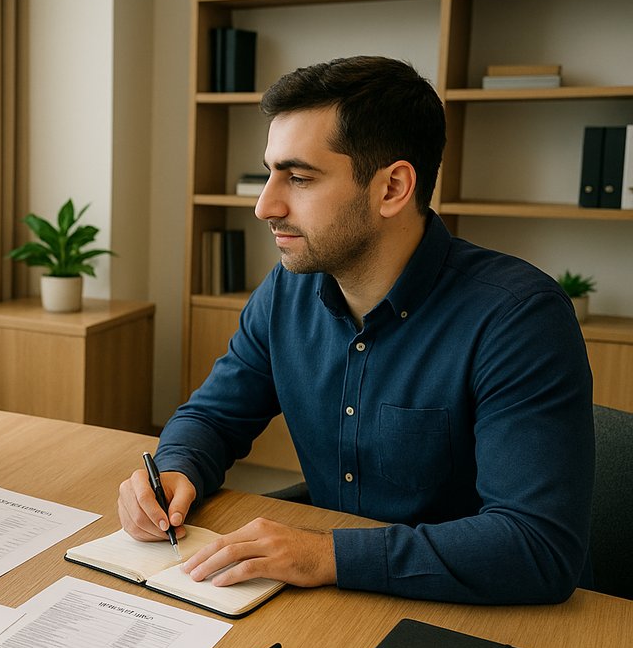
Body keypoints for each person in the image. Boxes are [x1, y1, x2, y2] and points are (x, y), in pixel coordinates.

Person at [118, 56, 594, 605]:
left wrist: (326, 554)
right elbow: (214, 415)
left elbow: (538, 548)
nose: (264, 205)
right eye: (270, 172)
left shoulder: (517, 318)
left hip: (459, 610)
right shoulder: (286, 291)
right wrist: (176, 470)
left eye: (298, 177)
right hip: (326, 598)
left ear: (392, 187)